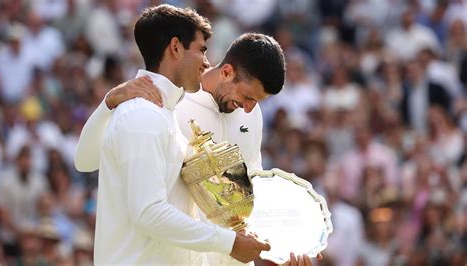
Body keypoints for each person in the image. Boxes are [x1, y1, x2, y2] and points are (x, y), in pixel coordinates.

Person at [76, 31, 319, 265]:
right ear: (226, 71)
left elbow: (251, 189)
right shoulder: (166, 103)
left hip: (233, 260)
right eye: (247, 97)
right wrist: (110, 100)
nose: (248, 108)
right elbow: (85, 161)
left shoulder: (252, 115)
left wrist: (287, 243)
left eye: (256, 101)